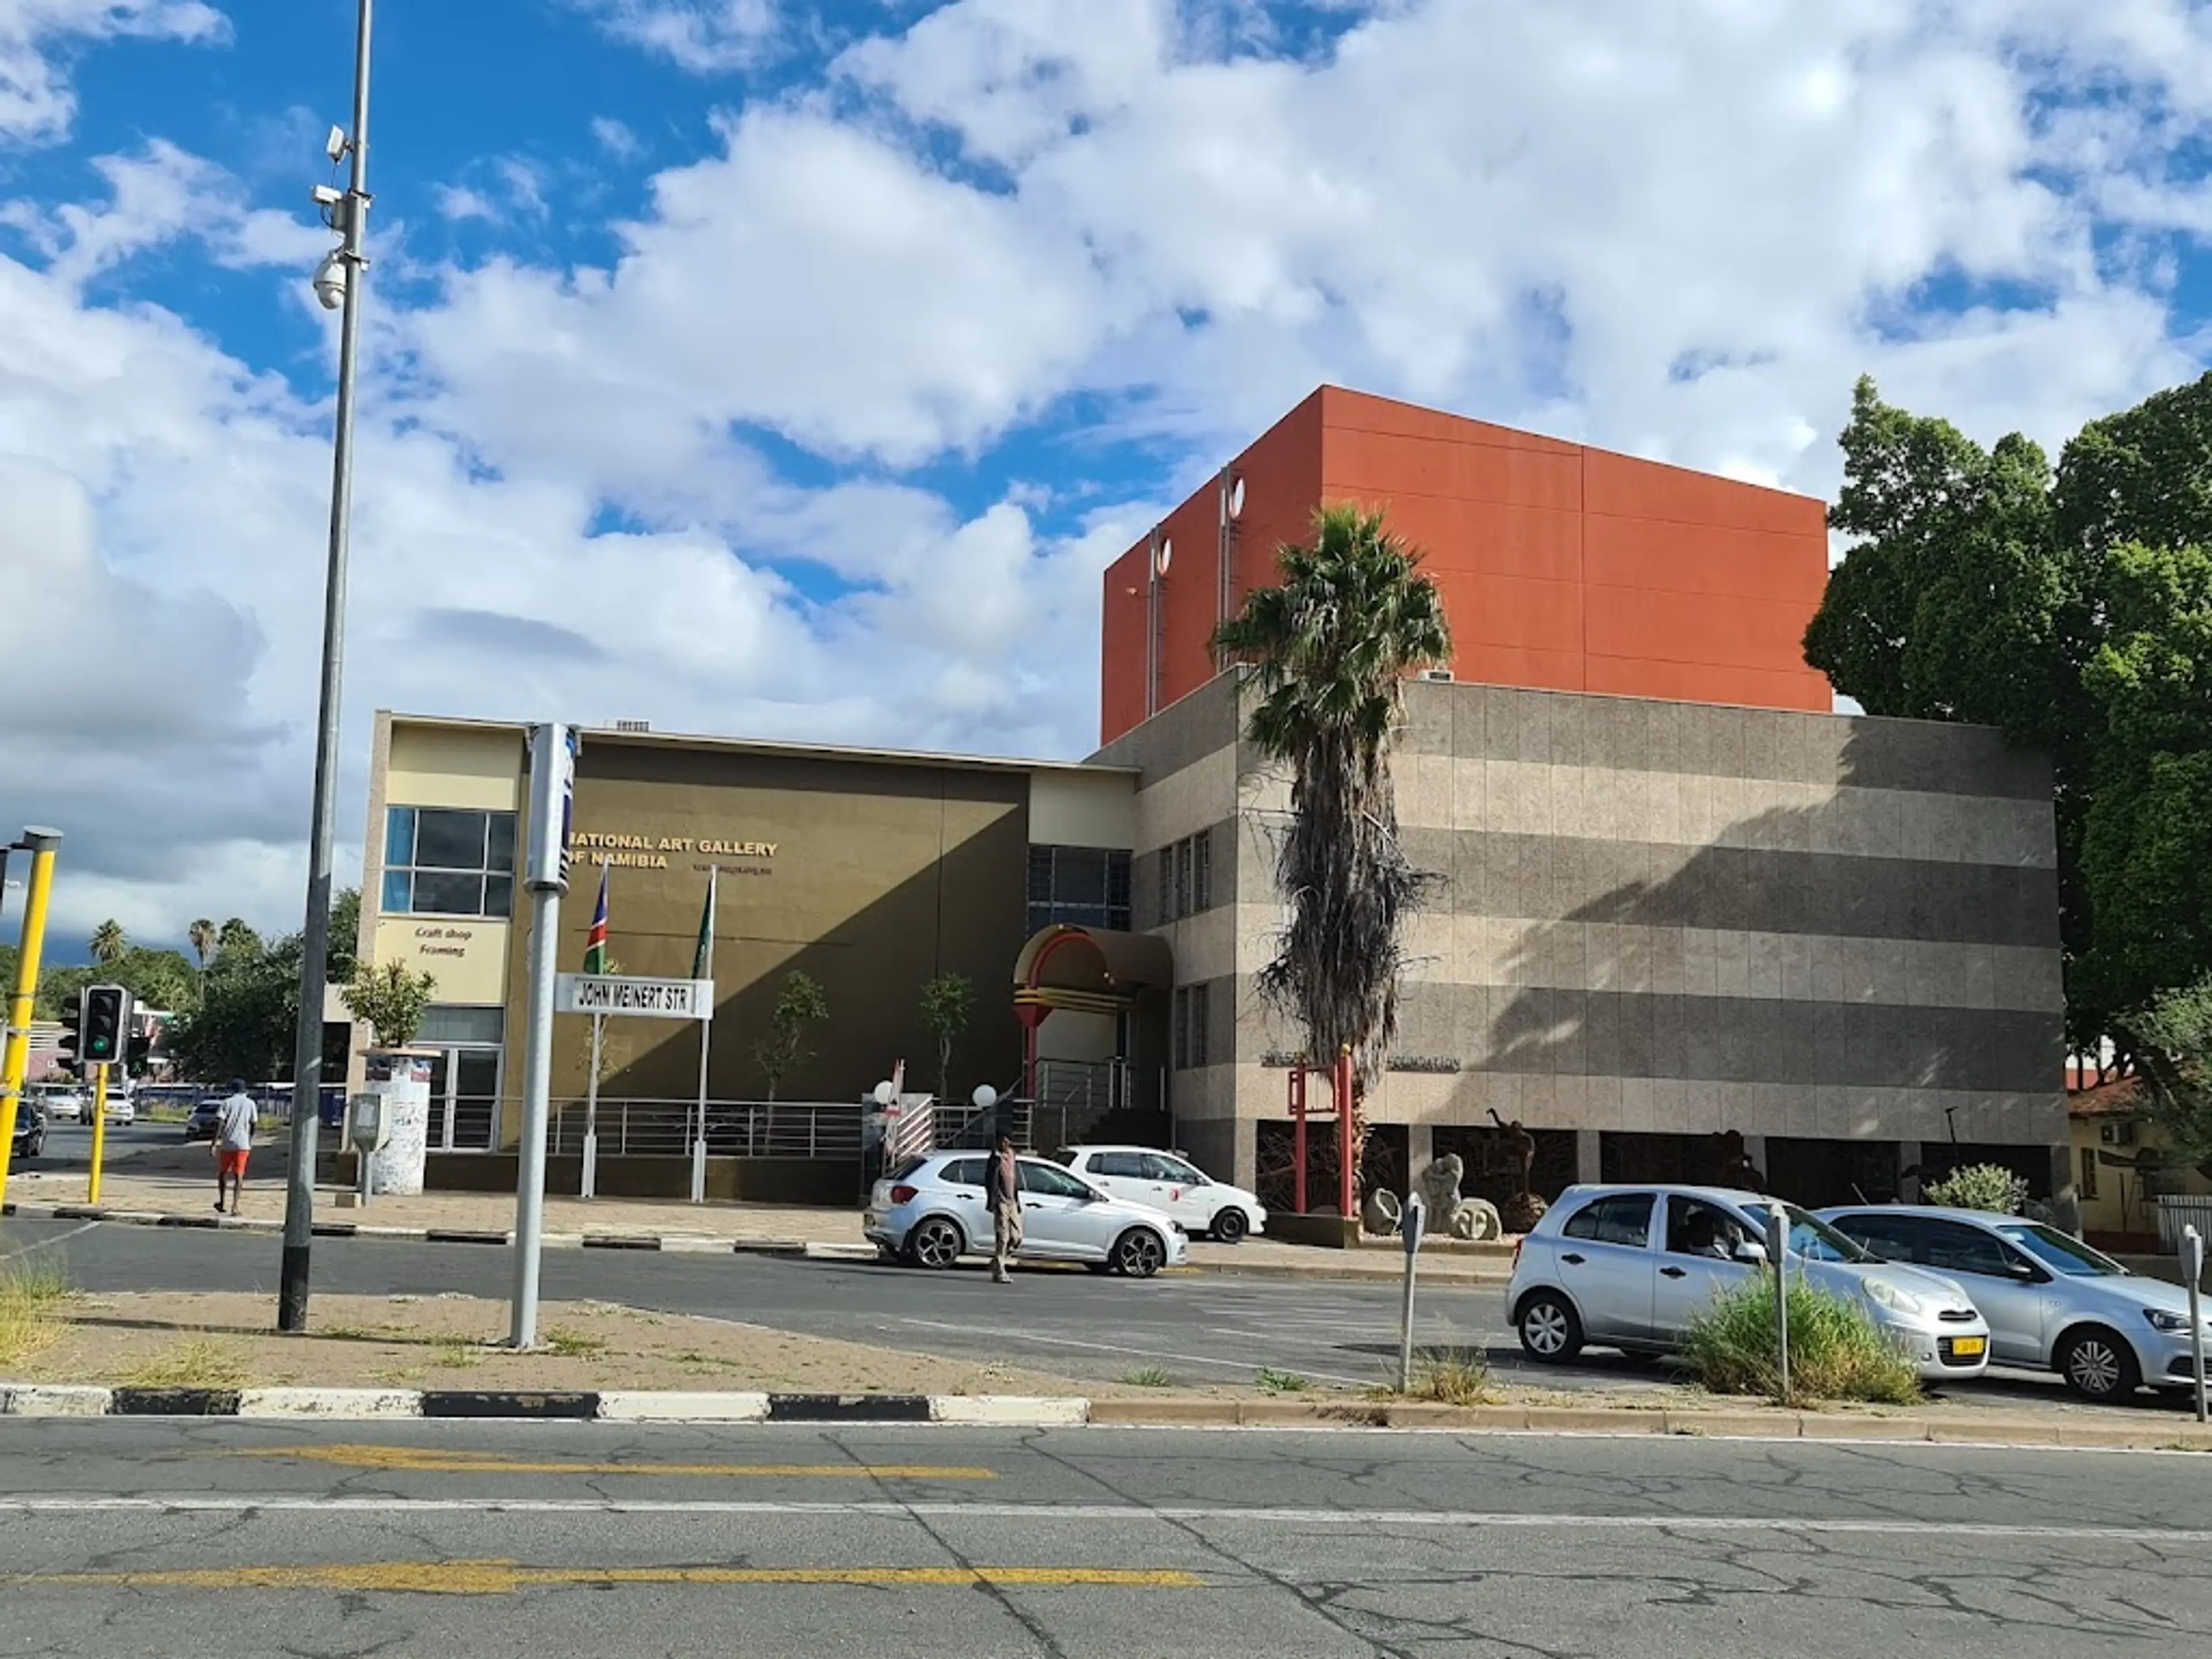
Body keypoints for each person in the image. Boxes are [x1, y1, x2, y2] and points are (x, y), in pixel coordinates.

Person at [213, 1080, 256, 1214]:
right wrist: (250, 1139)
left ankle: (222, 1201)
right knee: (239, 1175)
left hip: (227, 1143)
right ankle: (235, 1206)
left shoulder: (227, 1103)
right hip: (243, 1144)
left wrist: (215, 1142)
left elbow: (220, 1123)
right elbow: (254, 1123)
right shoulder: (250, 1104)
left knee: (223, 1173)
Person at [986, 1135, 1021, 1283]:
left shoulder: (1012, 1155)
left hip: (1012, 1201)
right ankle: (1000, 1271)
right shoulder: (995, 1158)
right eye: (1003, 1141)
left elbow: (1014, 1179)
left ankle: (996, 1262)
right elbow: (989, 1180)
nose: (1005, 1144)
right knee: (1003, 1237)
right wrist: (992, 1199)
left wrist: (1017, 1200)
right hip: (1001, 1201)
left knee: (1017, 1237)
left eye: (1008, 1141)